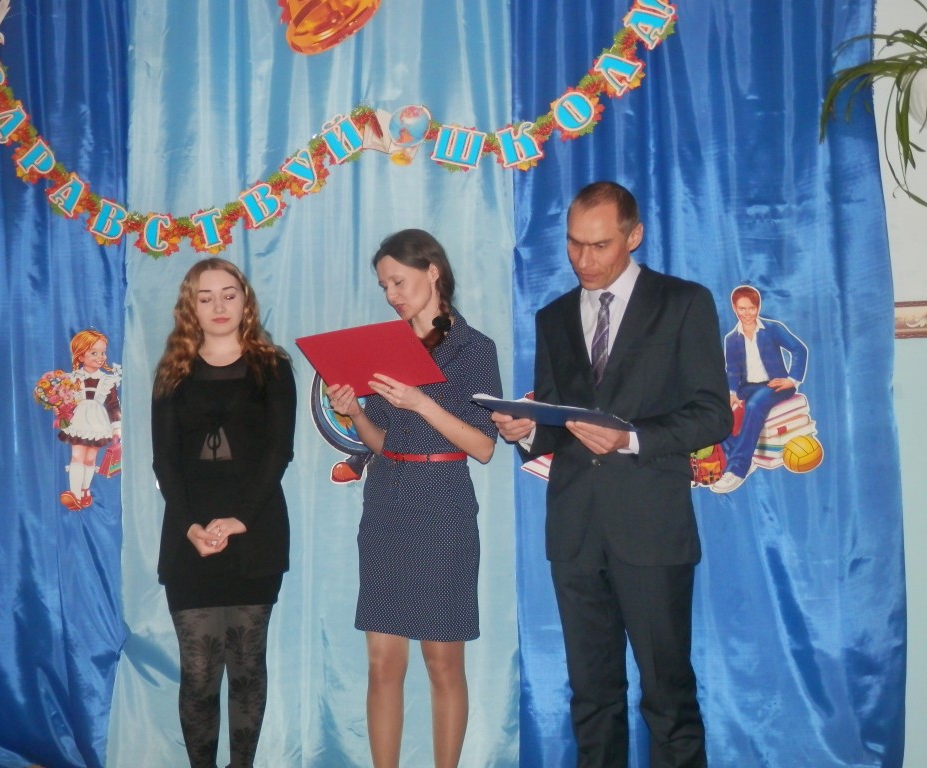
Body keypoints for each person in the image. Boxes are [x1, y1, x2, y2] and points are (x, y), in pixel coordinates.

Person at [492, 182, 732, 768]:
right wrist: (526, 431)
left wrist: (632, 437)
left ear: (634, 236)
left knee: (667, 694)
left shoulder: (682, 302)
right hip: (575, 529)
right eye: (574, 244)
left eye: (599, 245)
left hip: (651, 527)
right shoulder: (553, 316)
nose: (584, 259)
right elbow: (558, 419)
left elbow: (714, 415)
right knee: (591, 696)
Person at [325, 229, 502, 768]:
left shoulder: (475, 349)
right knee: (383, 663)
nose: (391, 295)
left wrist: (422, 402)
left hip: (444, 503)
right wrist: (355, 412)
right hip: (387, 501)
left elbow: (483, 447)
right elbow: (382, 443)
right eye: (384, 286)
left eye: (398, 282)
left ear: (433, 271)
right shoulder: (386, 347)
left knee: (443, 661)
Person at [151, 257, 296, 768]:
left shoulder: (272, 367)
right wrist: (191, 526)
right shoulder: (172, 371)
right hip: (188, 535)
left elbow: (279, 452)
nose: (219, 306)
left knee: (247, 669)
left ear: (245, 301)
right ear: (190, 306)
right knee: (198, 673)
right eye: (206, 296)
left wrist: (241, 519)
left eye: (228, 294)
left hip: (255, 531)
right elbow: (164, 462)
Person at [710, 285, 808, 493]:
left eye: (751, 308)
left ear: (758, 307)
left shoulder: (772, 329)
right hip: (748, 387)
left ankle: (737, 470)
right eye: (742, 309)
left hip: (776, 385)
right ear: (734, 308)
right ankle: (741, 457)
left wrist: (792, 380)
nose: (747, 313)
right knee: (719, 409)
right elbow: (733, 370)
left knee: (754, 406)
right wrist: (732, 393)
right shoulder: (731, 339)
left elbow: (799, 349)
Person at [57, 329, 122, 511]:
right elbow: (66, 400)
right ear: (80, 356)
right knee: (77, 456)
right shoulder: (72, 378)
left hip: (98, 422)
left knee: (90, 458)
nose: (100, 357)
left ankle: (85, 490)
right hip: (78, 420)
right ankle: (75, 494)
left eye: (103, 353)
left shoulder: (107, 380)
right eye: (94, 353)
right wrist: (60, 408)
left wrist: (117, 426)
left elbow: (113, 405)